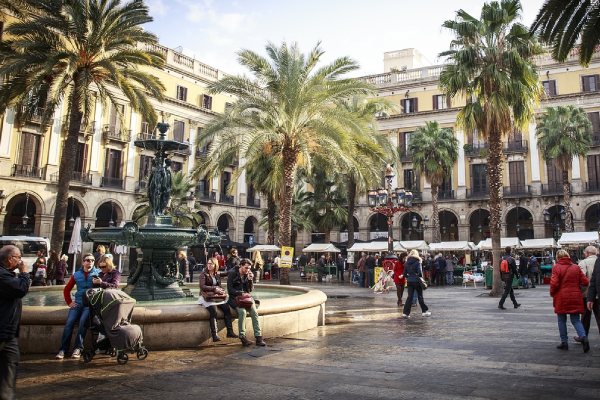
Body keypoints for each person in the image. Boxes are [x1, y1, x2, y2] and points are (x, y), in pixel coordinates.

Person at [56, 253, 100, 359]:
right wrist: (69, 302)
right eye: (88, 260)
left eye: (92, 260)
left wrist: (99, 283)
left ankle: (78, 348)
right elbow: (67, 289)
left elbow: (101, 289)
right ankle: (63, 349)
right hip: (78, 303)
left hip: (89, 305)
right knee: (69, 323)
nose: (90, 262)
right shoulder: (76, 274)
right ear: (83, 262)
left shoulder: (98, 273)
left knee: (82, 324)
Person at [0, 245, 31, 400]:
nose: (20, 260)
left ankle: (7, 395)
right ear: (10, 259)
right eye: (18, 257)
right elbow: (20, 289)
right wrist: (25, 272)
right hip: (2, 331)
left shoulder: (6, 274)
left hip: (9, 332)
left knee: (11, 364)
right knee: (9, 365)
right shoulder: (2, 276)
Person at [551, 249, 590, 352]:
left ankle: (564, 343)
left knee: (561, 320)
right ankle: (584, 338)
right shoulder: (576, 267)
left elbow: (554, 284)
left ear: (558, 257)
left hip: (561, 297)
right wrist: (577, 288)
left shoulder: (556, 267)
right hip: (575, 296)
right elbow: (585, 282)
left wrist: (552, 293)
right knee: (576, 320)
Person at [227, 258, 266, 347]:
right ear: (240, 265)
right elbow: (230, 290)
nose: (247, 270)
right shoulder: (232, 273)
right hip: (235, 299)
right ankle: (242, 337)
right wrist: (240, 293)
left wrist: (250, 280)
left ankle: (258, 337)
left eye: (249, 268)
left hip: (246, 299)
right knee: (242, 312)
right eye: (246, 268)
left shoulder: (247, 274)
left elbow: (250, 290)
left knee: (254, 312)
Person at [199, 257, 236, 342]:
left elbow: (227, 273)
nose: (209, 265)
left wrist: (237, 267)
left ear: (215, 265)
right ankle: (214, 335)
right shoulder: (203, 274)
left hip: (216, 296)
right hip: (207, 296)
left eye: (211, 264)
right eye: (208, 263)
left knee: (227, 309)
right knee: (213, 311)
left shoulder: (217, 274)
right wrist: (214, 288)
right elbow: (202, 286)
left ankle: (230, 332)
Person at [578, 246, 600, 342]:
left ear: (587, 253)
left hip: (587, 294)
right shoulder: (598, 261)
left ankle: (583, 336)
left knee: (585, 318)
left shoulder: (583, 262)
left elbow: (580, 279)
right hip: (598, 295)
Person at [401, 250, 431, 318]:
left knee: (409, 297)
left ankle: (405, 313)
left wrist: (409, 277)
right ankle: (424, 311)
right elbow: (420, 273)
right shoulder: (418, 262)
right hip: (417, 281)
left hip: (409, 282)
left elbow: (405, 274)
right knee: (420, 296)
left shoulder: (406, 262)